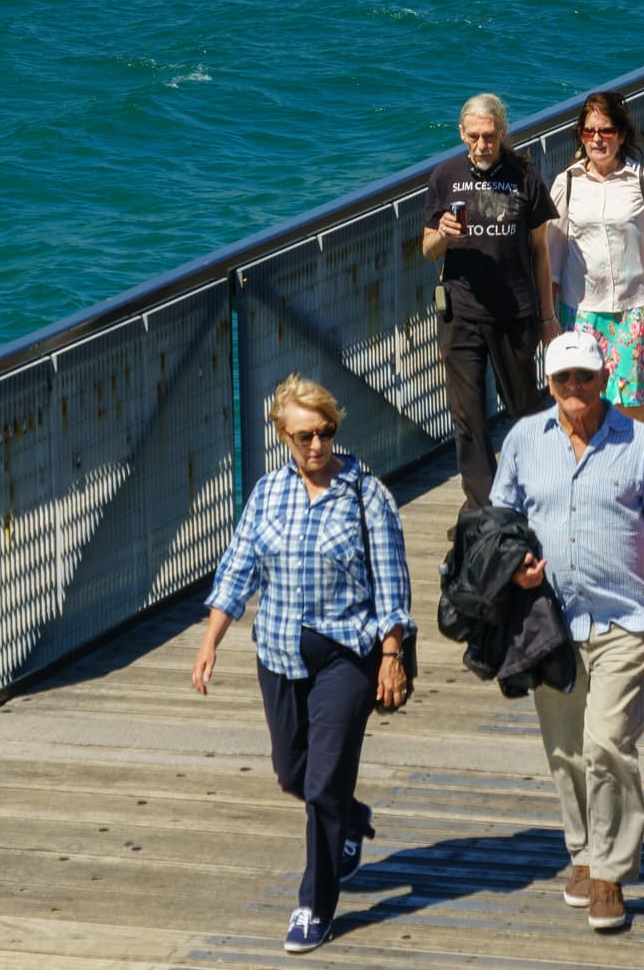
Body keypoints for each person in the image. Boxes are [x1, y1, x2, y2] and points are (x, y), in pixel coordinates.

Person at [192, 376, 414, 956]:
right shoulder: (268, 492)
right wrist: (212, 640)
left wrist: (390, 657)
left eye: (325, 432)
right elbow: (238, 569)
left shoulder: (367, 495)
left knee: (319, 786)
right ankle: (349, 813)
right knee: (294, 774)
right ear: (282, 437)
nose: (316, 445)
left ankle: (314, 905)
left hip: (347, 656)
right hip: (278, 653)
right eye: (303, 436)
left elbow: (392, 587)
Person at [492, 326, 644, 934]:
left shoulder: (642, 442)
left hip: (623, 619)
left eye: (585, 376)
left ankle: (609, 873)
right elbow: (500, 521)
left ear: (606, 379)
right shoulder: (525, 438)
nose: (574, 388)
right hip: (548, 622)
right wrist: (514, 566)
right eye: (563, 378)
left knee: (608, 745)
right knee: (565, 751)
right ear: (546, 383)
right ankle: (580, 850)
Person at [423, 95, 555, 514]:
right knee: (468, 418)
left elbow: (540, 250)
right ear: (462, 135)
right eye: (474, 137)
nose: (482, 145)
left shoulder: (525, 177)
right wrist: (442, 234)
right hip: (461, 315)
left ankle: (538, 495)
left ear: (502, 132)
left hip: (514, 313)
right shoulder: (445, 176)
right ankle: (483, 510)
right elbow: (427, 250)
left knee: (526, 411)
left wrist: (547, 316)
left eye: (490, 136)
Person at [549, 90, 644, 426]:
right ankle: (585, 471)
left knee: (630, 399)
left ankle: (640, 466)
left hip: (632, 308)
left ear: (621, 135)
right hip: (581, 310)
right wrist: (547, 315)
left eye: (606, 131)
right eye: (589, 131)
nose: (597, 139)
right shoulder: (567, 182)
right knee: (577, 398)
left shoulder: (643, 179)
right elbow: (553, 252)